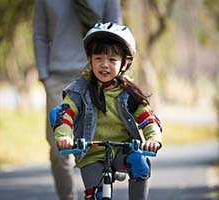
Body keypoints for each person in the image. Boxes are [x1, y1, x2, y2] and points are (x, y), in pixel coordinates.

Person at [51, 22, 162, 200]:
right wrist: (64, 137)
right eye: (98, 58)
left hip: (121, 150)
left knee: (140, 163)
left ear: (124, 64)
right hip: (91, 153)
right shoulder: (79, 90)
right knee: (95, 195)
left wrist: (152, 139)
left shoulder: (128, 93)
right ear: (89, 60)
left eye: (112, 60)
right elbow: (65, 115)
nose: (104, 65)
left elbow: (147, 118)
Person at [33, 1, 122, 200]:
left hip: (98, 75)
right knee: (59, 148)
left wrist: (116, 76)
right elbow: (40, 34)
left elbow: (117, 32)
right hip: (58, 78)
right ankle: (68, 197)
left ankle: (102, 191)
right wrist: (44, 75)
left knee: (103, 143)